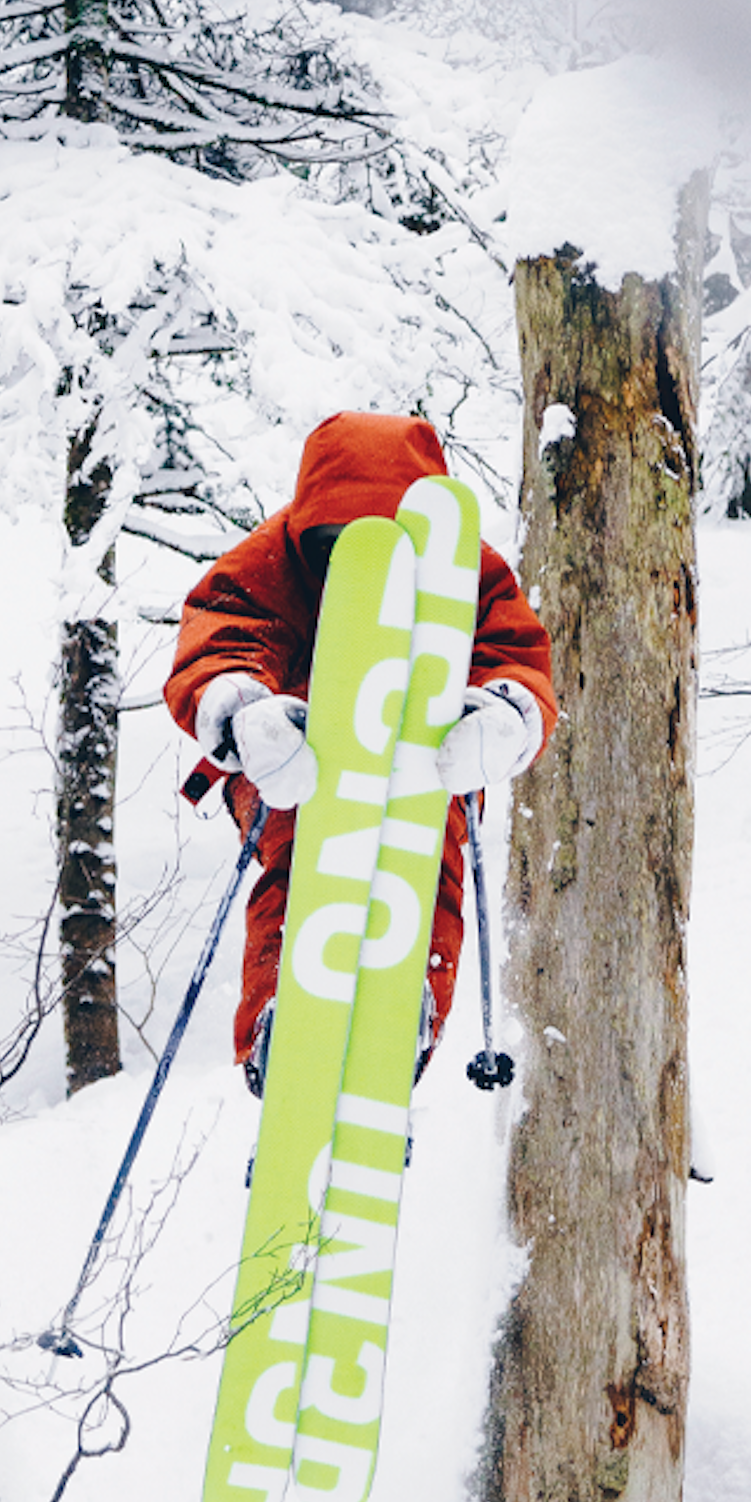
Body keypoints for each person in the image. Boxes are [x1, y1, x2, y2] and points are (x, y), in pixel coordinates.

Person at [164, 411, 557, 1090]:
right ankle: (280, 1016)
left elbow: (513, 653)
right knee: (297, 844)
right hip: (292, 747)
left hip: (428, 750)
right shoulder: (270, 559)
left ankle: (407, 1004)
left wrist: (503, 715)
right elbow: (222, 635)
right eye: (332, 544)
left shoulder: (473, 572)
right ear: (305, 524)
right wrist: (240, 710)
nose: (351, 557)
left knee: (432, 847)